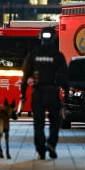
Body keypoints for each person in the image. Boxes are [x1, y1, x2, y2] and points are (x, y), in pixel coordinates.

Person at [21, 27, 68, 160]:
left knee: (38, 123)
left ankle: (41, 150)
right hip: (53, 92)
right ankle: (51, 143)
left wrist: (22, 95)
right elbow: (65, 78)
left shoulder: (33, 55)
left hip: (38, 93)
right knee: (55, 122)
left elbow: (25, 77)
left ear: (40, 38)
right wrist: (66, 98)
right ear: (54, 39)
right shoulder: (58, 56)